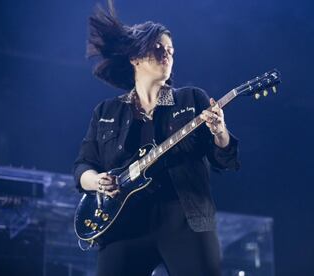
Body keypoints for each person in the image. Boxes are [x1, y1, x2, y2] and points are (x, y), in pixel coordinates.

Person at [73, 2, 240, 276]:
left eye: (171, 51)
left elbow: (224, 159)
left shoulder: (191, 99)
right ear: (135, 58)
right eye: (158, 49)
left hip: (184, 218)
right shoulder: (106, 112)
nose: (166, 55)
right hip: (124, 223)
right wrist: (97, 181)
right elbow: (82, 166)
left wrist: (220, 130)